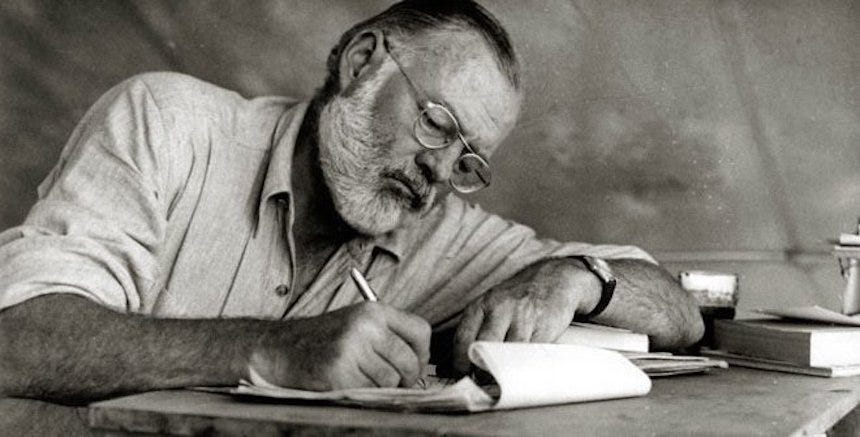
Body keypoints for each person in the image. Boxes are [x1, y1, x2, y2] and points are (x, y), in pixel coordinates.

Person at [0, 0, 703, 407]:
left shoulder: (438, 229)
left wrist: (577, 276)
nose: (437, 170)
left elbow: (680, 309)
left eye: (468, 161)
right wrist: (273, 350)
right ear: (362, 61)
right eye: (436, 122)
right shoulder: (166, 122)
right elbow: (18, 338)